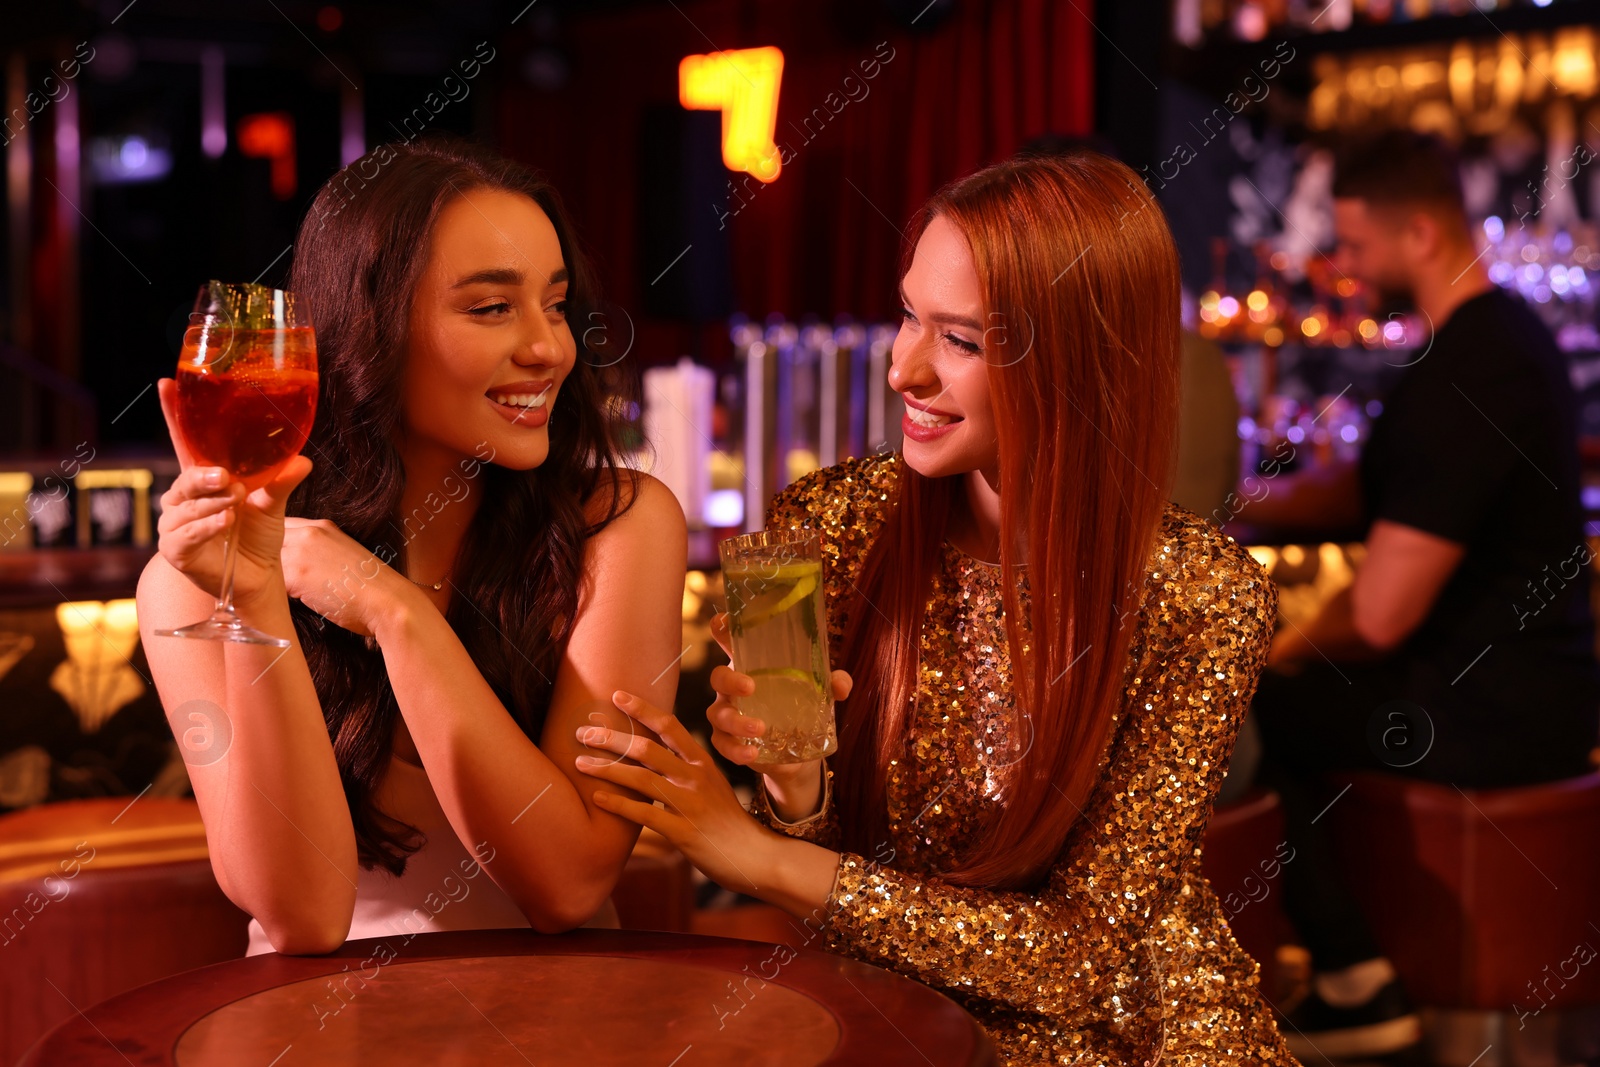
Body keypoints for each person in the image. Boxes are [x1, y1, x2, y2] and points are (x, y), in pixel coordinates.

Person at [568, 152, 1295, 1065]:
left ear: (1081, 360)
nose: (902, 370)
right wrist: (792, 784)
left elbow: (1077, 957)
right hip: (900, 1024)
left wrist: (757, 856)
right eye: (908, 315)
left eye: (959, 340)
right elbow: (823, 851)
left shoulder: (1204, 592)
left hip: (1142, 1038)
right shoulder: (819, 526)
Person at [137, 138, 687, 955]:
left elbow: (567, 886)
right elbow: (305, 917)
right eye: (492, 308)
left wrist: (390, 610)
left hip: (566, 1023)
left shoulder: (619, 525)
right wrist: (255, 599)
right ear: (371, 330)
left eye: (557, 304)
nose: (550, 348)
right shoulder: (193, 584)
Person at [1245, 131, 1600, 1059]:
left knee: (1246, 711)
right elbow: (1379, 487)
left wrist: (1264, 651)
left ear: (1421, 234)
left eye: (1358, 247)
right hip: (1532, 691)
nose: (1349, 267)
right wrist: (1239, 504)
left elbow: (1379, 615)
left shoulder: (1469, 373)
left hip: (1487, 711)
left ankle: (1355, 979)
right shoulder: (1498, 338)